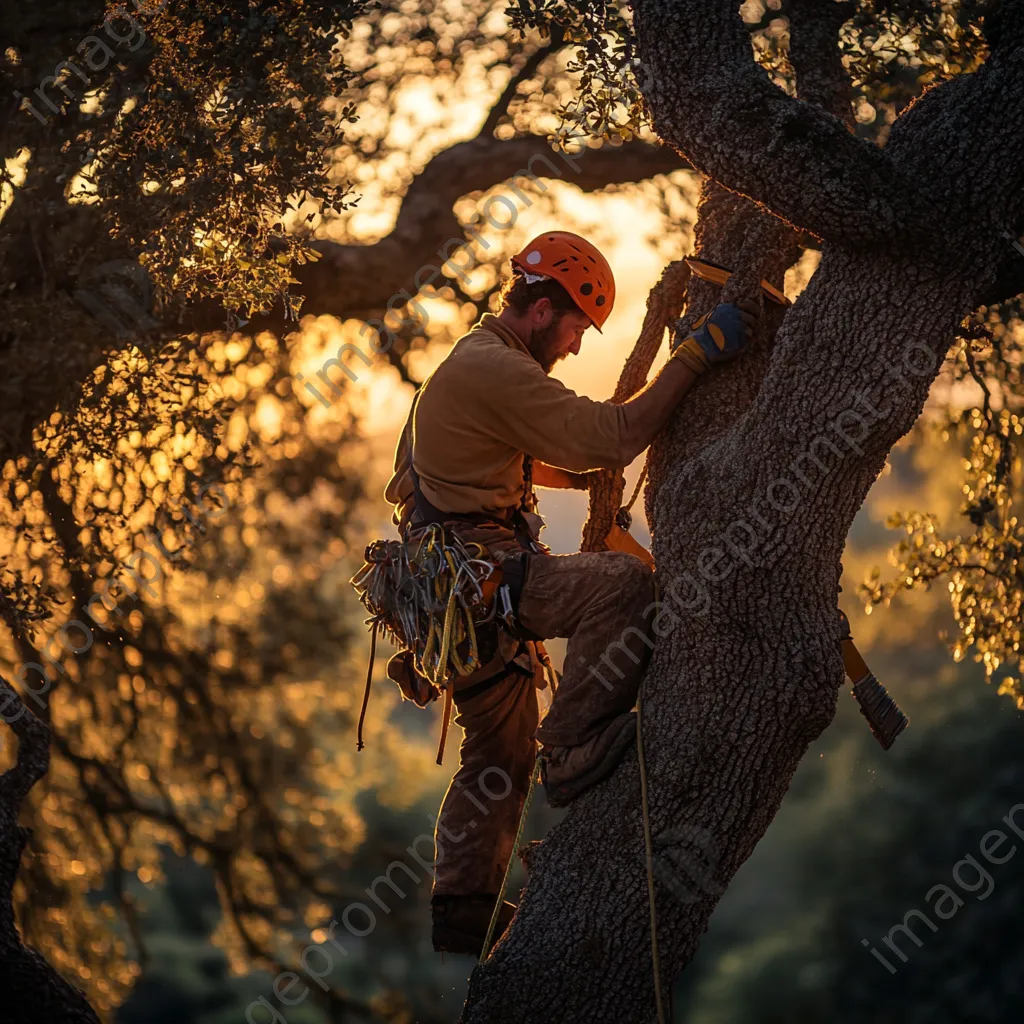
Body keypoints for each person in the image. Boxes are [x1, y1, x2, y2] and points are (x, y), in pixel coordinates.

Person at [382, 230, 759, 954]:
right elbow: (615, 435)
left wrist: (573, 481)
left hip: (454, 591)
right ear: (542, 310)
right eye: (577, 327)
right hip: (477, 577)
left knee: (499, 755)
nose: (578, 347)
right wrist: (697, 352)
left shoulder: (472, 360)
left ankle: (463, 920)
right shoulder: (495, 368)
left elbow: (486, 454)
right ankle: (578, 748)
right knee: (622, 586)